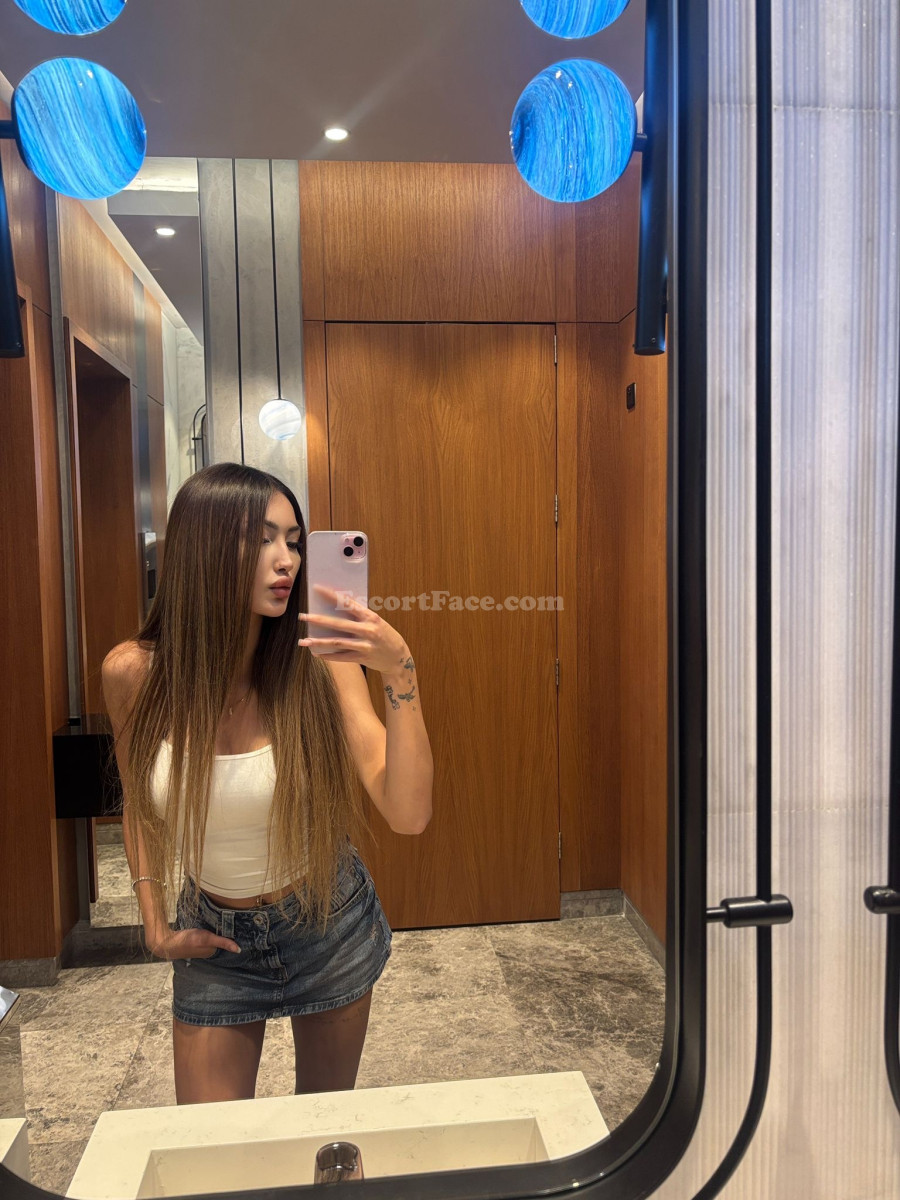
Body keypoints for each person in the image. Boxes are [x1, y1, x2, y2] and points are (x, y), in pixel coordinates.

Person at [101, 462, 433, 1104]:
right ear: (200, 548)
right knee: (212, 1147)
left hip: (325, 925)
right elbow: (140, 806)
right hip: (215, 944)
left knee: (323, 1137)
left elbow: (408, 812)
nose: (287, 560)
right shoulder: (135, 675)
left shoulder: (321, 664)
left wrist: (400, 671)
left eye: (294, 541)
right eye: (261, 539)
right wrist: (153, 923)